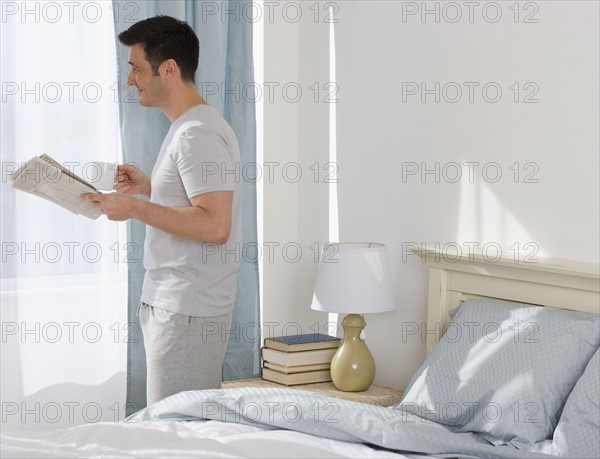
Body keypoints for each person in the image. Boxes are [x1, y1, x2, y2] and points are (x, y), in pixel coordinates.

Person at [82, 15, 242, 405]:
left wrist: (135, 208)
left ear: (168, 69)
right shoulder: (192, 126)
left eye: (136, 69)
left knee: (176, 435)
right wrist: (149, 188)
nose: (129, 79)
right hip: (179, 305)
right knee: (178, 428)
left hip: (186, 309)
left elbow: (215, 224)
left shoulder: (196, 134)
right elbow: (199, 201)